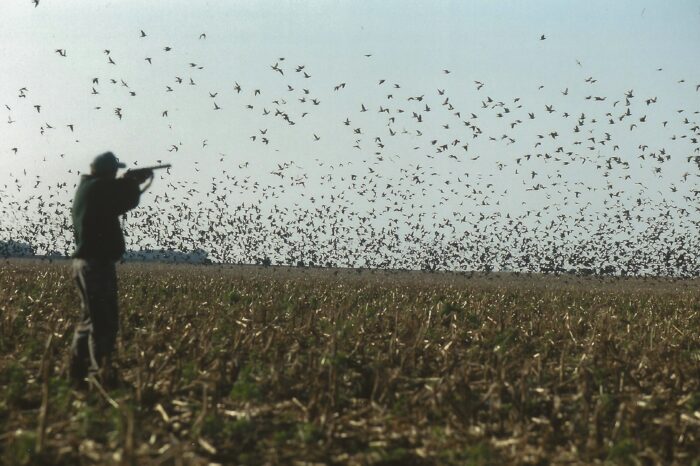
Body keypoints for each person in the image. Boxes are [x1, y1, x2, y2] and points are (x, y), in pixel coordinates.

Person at [69, 151, 153, 389]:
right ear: (108, 171)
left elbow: (116, 198)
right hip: (96, 265)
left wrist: (129, 181)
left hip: (84, 264)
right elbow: (124, 198)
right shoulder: (97, 189)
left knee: (89, 320)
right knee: (103, 323)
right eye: (114, 172)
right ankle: (100, 378)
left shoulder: (87, 189)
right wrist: (132, 181)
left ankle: (77, 375)